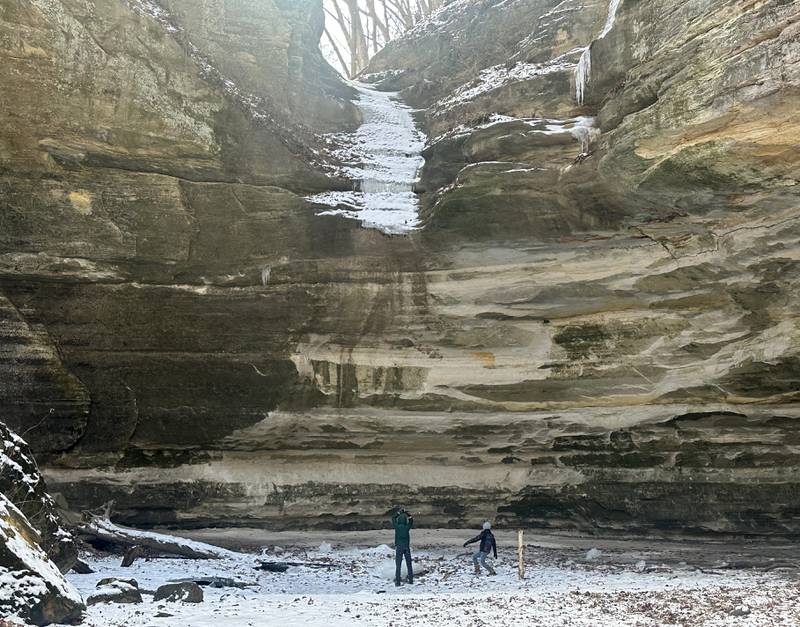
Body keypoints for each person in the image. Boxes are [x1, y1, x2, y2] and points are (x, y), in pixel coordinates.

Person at [391, 507, 414, 586]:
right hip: (406, 547)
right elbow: (411, 521)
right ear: (405, 521)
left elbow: (393, 518)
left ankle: (398, 581)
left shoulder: (397, 527)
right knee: (409, 564)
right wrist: (408, 514)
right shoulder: (407, 527)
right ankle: (411, 580)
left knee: (398, 565)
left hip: (399, 547)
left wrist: (399, 513)